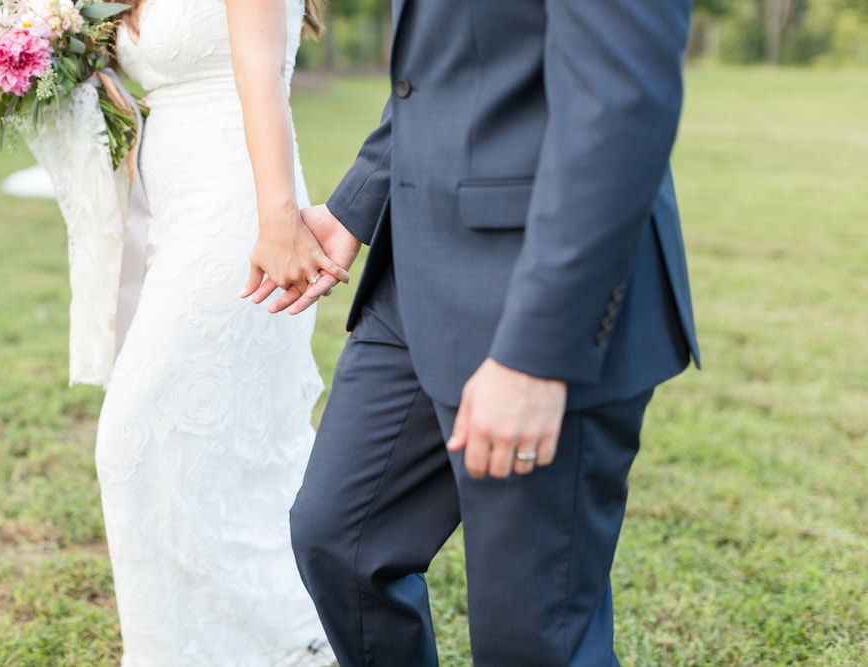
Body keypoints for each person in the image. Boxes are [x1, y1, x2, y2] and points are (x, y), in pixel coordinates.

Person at [256, 2, 702, 665]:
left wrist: (538, 355)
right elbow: (440, 76)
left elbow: (624, 102)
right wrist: (355, 206)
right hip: (415, 269)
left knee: (532, 637)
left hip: (543, 291)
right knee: (340, 539)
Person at [92, 0, 341, 664]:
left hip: (239, 208)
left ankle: (280, 643)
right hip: (173, 210)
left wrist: (278, 219)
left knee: (133, 438)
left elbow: (260, 73)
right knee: (216, 449)